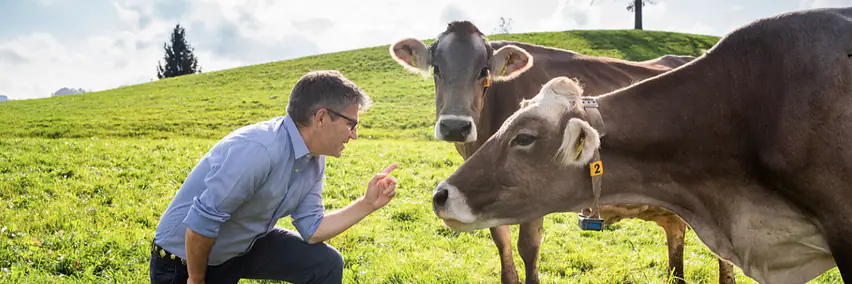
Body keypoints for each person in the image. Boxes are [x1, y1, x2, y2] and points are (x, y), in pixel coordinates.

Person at [149, 70, 399, 284]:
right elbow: (201, 224)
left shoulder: (313, 157)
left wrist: (367, 204)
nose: (354, 135)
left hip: (241, 247)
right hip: (184, 261)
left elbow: (312, 229)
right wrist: (196, 280)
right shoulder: (259, 149)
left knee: (326, 263)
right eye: (351, 124)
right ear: (321, 117)